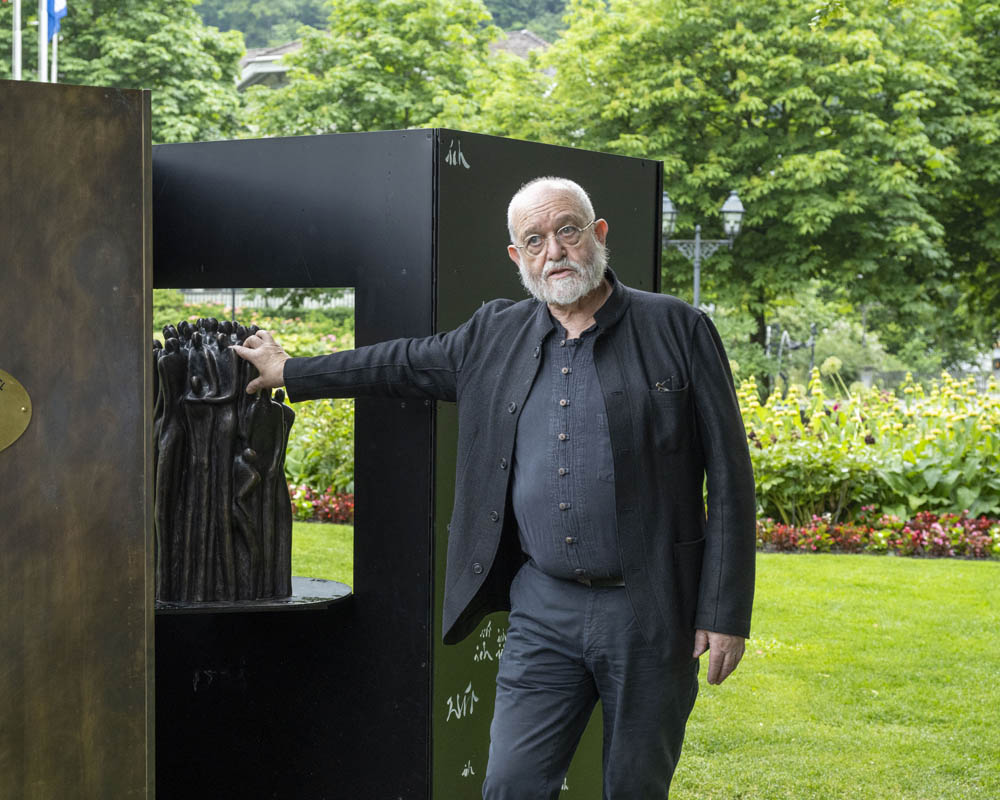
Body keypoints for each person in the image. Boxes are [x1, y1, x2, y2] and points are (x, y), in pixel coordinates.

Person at [232, 176, 756, 799]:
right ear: (517, 256)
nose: (553, 251)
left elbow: (731, 478)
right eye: (534, 240)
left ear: (597, 234)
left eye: (567, 230)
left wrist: (724, 614)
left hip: (651, 611)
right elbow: (398, 363)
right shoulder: (495, 335)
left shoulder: (677, 327)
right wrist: (290, 371)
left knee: (635, 788)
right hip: (543, 611)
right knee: (510, 785)